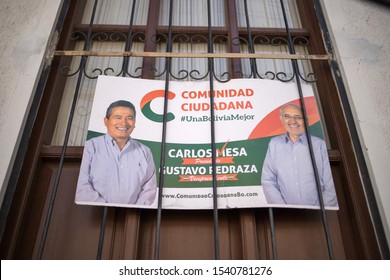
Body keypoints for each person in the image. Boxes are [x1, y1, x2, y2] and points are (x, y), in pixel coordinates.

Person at [75, 100, 157, 205]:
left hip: (132, 217)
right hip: (97, 215)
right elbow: (82, 186)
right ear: (106, 121)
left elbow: (149, 188)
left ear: (134, 123)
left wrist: (133, 211)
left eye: (129, 118)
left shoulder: (145, 151)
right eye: (118, 117)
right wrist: (107, 209)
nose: (124, 123)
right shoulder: (90, 147)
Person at [261, 103, 338, 207]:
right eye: (287, 116)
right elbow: (268, 181)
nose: (292, 121)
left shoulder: (319, 144)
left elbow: (330, 186)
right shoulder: (274, 144)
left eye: (298, 117)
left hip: (318, 216)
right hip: (286, 216)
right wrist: (284, 209)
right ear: (282, 119)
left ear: (305, 120)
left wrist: (317, 210)